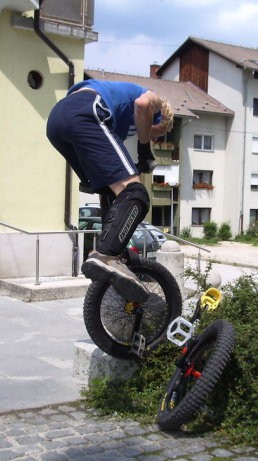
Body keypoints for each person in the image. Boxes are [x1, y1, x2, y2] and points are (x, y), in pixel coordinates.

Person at [46, 79, 174, 301]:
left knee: (111, 191)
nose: (153, 137)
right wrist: (145, 149)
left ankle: (112, 254)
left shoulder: (117, 125)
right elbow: (143, 105)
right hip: (85, 109)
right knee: (137, 194)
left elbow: (114, 186)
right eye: (158, 132)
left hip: (57, 121)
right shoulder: (154, 101)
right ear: (161, 117)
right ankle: (106, 255)